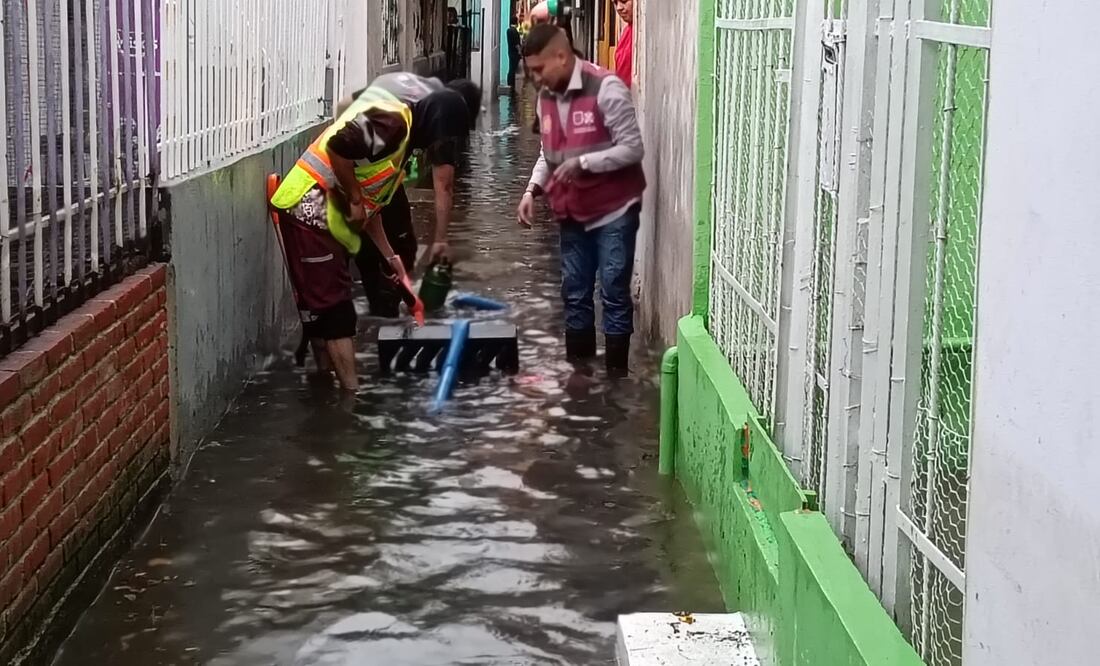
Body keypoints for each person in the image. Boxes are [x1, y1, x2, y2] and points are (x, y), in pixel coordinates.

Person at [270, 73, 481, 391]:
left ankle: (324, 384)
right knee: (336, 307)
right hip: (308, 205)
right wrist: (354, 197)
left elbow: (370, 213)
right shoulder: (394, 122)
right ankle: (350, 401)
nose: (437, 150)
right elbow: (338, 146)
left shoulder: (403, 143)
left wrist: (390, 258)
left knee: (319, 307)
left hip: (327, 215)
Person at [517, 24, 646, 376]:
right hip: (572, 209)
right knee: (574, 292)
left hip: (614, 209)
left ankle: (616, 383)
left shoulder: (606, 89)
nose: (536, 78)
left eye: (540, 69)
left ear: (562, 56)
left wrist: (584, 162)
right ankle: (581, 387)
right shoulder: (546, 99)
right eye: (531, 72)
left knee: (614, 291)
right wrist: (532, 190)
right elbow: (549, 153)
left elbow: (633, 148)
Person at [613, 0, 634, 87]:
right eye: (615, 3)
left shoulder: (641, 33)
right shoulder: (627, 31)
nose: (618, 8)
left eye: (624, 1)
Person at [507, 15, 522, 90]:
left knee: (511, 69)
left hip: (510, 52)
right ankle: (511, 85)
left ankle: (510, 84)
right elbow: (517, 44)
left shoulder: (509, 30)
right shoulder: (514, 31)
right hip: (515, 53)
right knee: (513, 69)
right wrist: (520, 52)